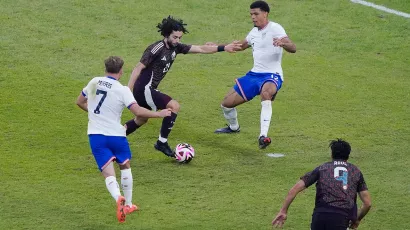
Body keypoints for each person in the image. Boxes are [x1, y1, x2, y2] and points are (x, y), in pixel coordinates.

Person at [125, 16, 242, 157]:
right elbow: (138, 68)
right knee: (174, 106)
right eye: (174, 37)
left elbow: (200, 49)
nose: (177, 41)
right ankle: (161, 143)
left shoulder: (176, 47)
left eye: (179, 37)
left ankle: (115, 135)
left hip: (149, 90)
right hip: (144, 89)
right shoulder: (156, 48)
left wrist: (224, 47)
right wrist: (127, 90)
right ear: (167, 34)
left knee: (141, 119)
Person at [76, 56, 171, 223]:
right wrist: (159, 113)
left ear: (105, 68)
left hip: (96, 135)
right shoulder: (123, 90)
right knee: (125, 166)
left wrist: (95, 114)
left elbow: (79, 101)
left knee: (108, 172)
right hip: (117, 136)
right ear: (121, 71)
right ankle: (128, 204)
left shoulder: (94, 82)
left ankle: (117, 197)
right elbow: (138, 112)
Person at [211, 1, 296, 149]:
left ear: (265, 13)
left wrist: (283, 44)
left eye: (256, 14)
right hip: (254, 75)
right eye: (251, 14)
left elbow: (293, 47)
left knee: (266, 93)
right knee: (226, 104)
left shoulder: (275, 28)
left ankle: (263, 136)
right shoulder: (253, 32)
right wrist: (219, 46)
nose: (253, 17)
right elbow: (241, 46)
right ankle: (233, 127)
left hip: (272, 74)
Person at [272, 139, 372, 230]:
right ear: (348, 155)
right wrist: (357, 219)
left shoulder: (322, 168)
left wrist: (283, 211)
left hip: (320, 216)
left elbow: (294, 189)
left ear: (332, 154)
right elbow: (367, 203)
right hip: (341, 217)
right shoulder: (356, 172)